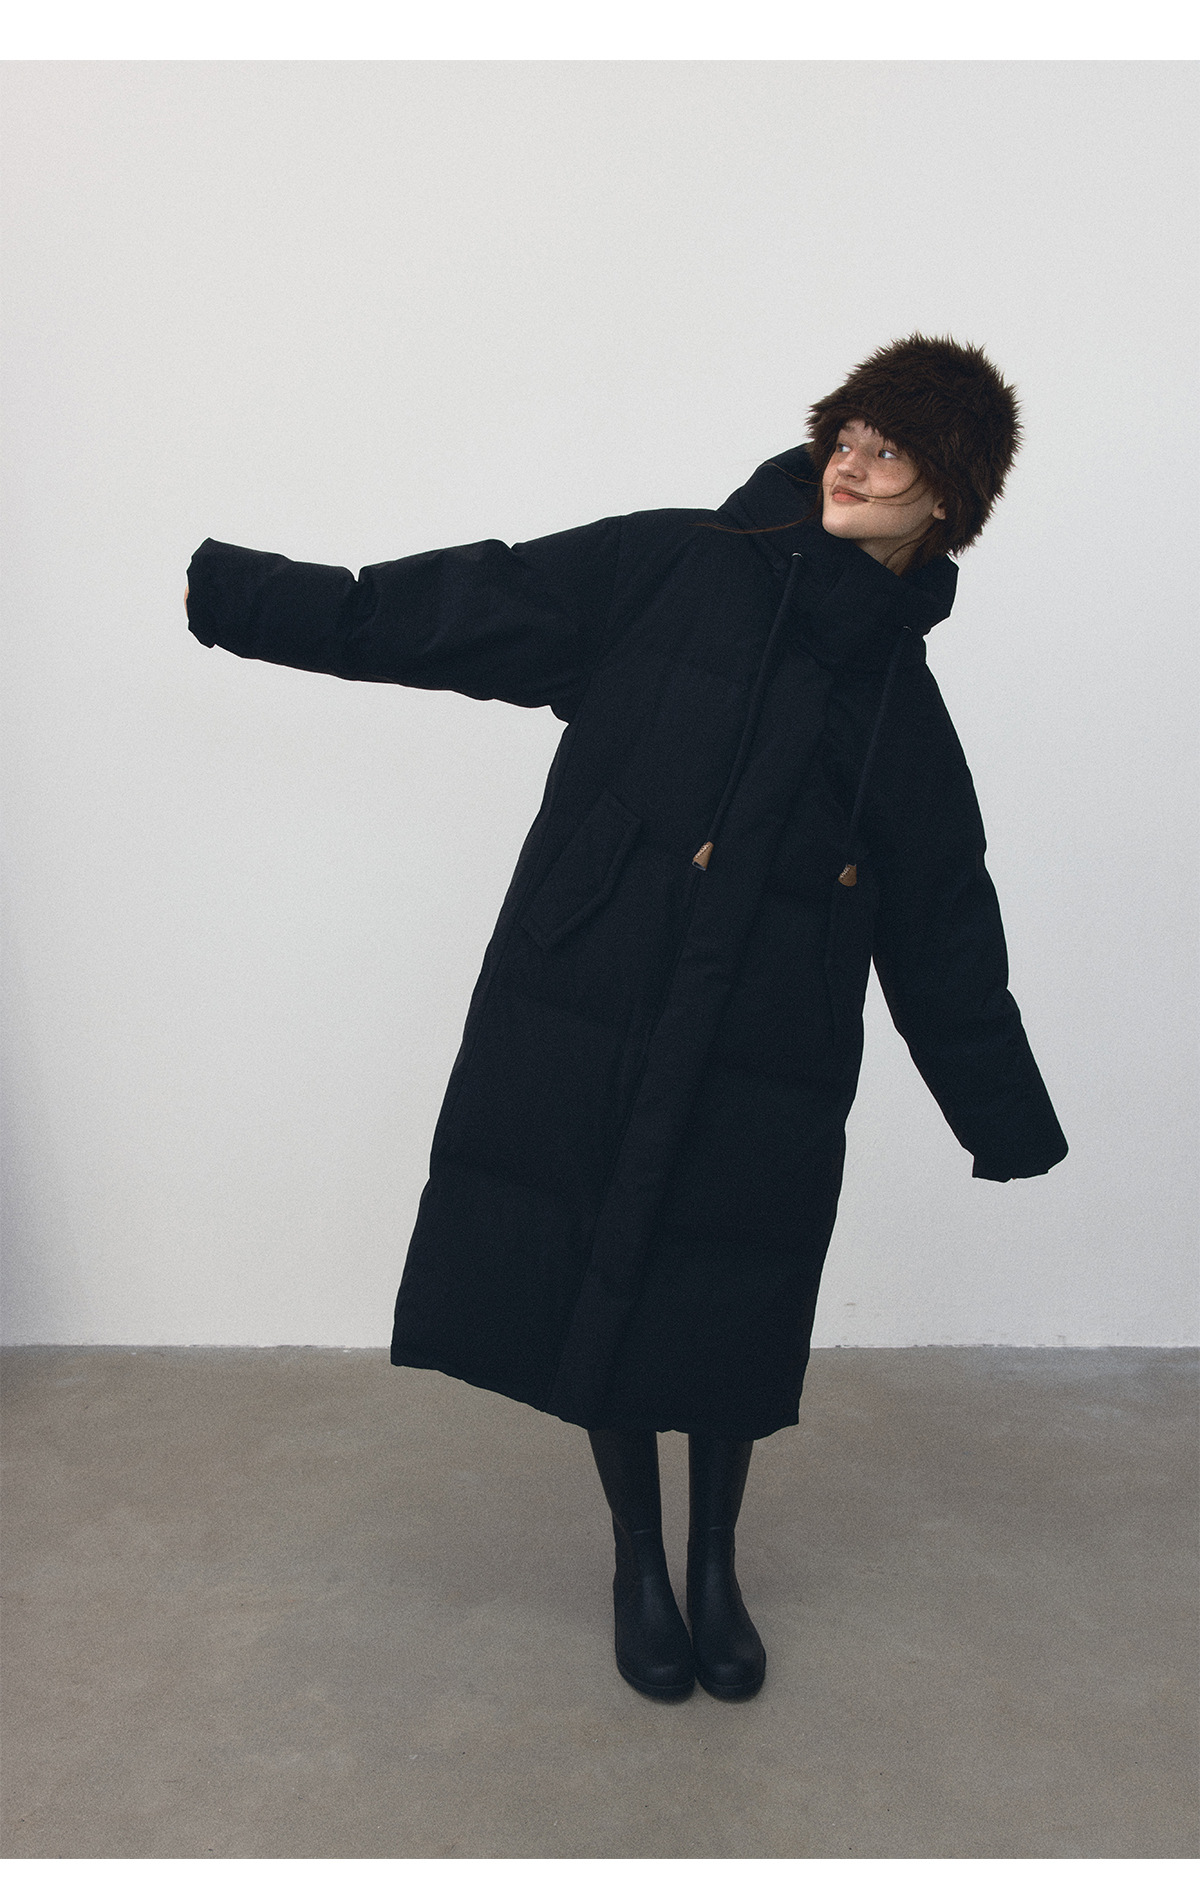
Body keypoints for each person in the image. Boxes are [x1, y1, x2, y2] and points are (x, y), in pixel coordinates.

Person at [184, 333, 1068, 1704]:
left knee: (723, 1302)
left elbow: (945, 925)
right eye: (845, 432)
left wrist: (1004, 1119)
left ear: (946, 496)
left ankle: (717, 1565)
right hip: (600, 992)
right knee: (600, 1262)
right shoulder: (674, 565)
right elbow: (451, 610)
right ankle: (639, 1564)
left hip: (771, 1046)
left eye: (889, 449)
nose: (850, 461)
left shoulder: (902, 703)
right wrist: (245, 595)